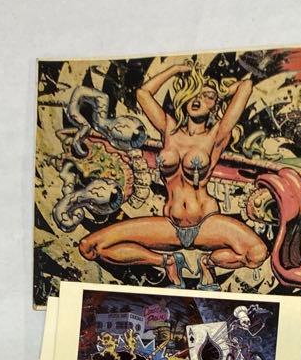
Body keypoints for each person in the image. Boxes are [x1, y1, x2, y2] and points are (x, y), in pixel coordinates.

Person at [78, 62, 268, 286]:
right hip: (171, 226)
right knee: (89, 247)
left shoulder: (216, 135)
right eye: (194, 93)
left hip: (207, 224)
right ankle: (166, 261)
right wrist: (175, 69)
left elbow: (246, 86)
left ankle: (208, 263)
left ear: (216, 105)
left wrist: (222, 91)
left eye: (207, 97)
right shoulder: (169, 129)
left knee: (257, 253)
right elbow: (143, 94)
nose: (198, 100)